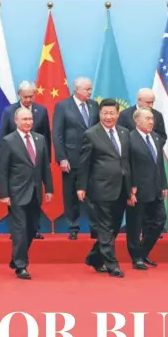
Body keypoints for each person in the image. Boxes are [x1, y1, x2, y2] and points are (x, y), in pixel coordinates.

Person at [78, 98, 133, 278]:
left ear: (118, 114)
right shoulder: (91, 134)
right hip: (100, 188)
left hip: (122, 188)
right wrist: (81, 187)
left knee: (114, 227)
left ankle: (94, 257)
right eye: (104, 113)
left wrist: (132, 187)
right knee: (105, 226)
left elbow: (127, 162)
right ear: (100, 114)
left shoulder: (125, 133)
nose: (108, 116)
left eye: (112, 113)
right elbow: (84, 163)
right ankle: (112, 265)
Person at [0, 107, 53, 279]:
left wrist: (49, 188)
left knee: (31, 228)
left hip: (36, 192)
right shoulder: (9, 140)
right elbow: (3, 170)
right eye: (24, 119)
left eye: (30, 119)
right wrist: (4, 194)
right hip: (16, 192)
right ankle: (21, 265)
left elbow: (45, 166)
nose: (28, 122)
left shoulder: (40, 139)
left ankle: (16, 258)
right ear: (16, 121)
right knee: (20, 229)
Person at [0, 81, 51, 240]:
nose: (29, 99)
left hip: (36, 162)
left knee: (35, 202)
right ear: (19, 95)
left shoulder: (41, 110)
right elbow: (3, 136)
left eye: (31, 96)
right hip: (16, 164)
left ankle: (34, 230)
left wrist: (45, 162)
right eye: (26, 96)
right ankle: (16, 231)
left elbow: (46, 137)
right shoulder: (9, 111)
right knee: (16, 204)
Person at [53, 77, 99, 239]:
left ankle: (95, 227)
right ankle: (73, 227)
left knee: (93, 194)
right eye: (87, 89)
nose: (90, 92)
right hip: (71, 158)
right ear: (77, 90)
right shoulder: (63, 106)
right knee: (71, 193)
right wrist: (62, 158)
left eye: (90, 88)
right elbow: (57, 134)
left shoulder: (94, 105)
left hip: (92, 158)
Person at [126, 107, 167, 269]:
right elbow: (127, 167)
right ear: (136, 120)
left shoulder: (156, 138)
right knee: (135, 226)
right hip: (137, 190)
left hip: (155, 188)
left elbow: (159, 164)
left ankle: (143, 252)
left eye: (152, 119)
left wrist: (164, 183)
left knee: (159, 221)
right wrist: (130, 189)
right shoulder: (129, 139)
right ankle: (136, 257)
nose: (151, 122)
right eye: (147, 119)